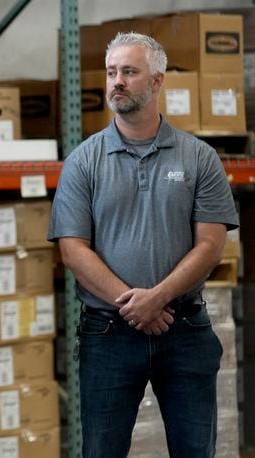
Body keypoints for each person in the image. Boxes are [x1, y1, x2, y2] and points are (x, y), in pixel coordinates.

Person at [48, 32, 238, 458]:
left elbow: (210, 244)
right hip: (108, 332)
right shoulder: (84, 160)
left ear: (156, 81)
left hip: (184, 330)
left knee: (195, 450)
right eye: (112, 72)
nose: (117, 81)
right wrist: (134, 305)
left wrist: (159, 298)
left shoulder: (198, 157)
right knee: (101, 450)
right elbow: (73, 249)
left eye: (129, 72)